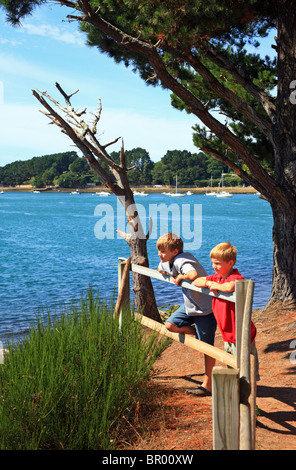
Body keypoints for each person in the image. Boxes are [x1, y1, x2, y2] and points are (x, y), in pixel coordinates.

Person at [157, 232, 217, 396]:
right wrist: (171, 273)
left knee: (207, 348)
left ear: (175, 252)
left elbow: (193, 275)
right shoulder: (171, 261)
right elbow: (160, 268)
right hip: (190, 306)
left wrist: (181, 277)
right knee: (170, 325)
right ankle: (197, 332)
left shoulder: (182, 260)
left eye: (163, 251)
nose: (159, 254)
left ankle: (208, 385)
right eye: (159, 250)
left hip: (205, 309)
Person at [193, 242, 259, 379]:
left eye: (218, 263)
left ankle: (246, 394)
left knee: (244, 368)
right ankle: (236, 392)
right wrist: (209, 283)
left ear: (230, 263)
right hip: (227, 333)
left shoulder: (235, 277)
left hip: (240, 332)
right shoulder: (217, 277)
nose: (214, 266)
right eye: (212, 263)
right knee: (232, 366)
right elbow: (197, 281)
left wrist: (216, 285)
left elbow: (230, 287)